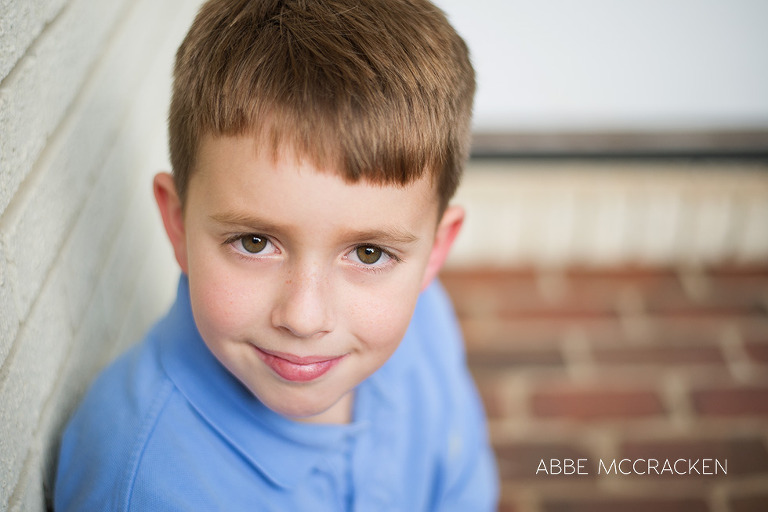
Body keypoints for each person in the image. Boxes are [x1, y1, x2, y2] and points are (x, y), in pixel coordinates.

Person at [54, 0, 498, 509]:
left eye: (370, 253)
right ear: (177, 222)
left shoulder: (427, 323)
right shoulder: (143, 485)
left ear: (434, 251)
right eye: (254, 242)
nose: (304, 319)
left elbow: (465, 483)